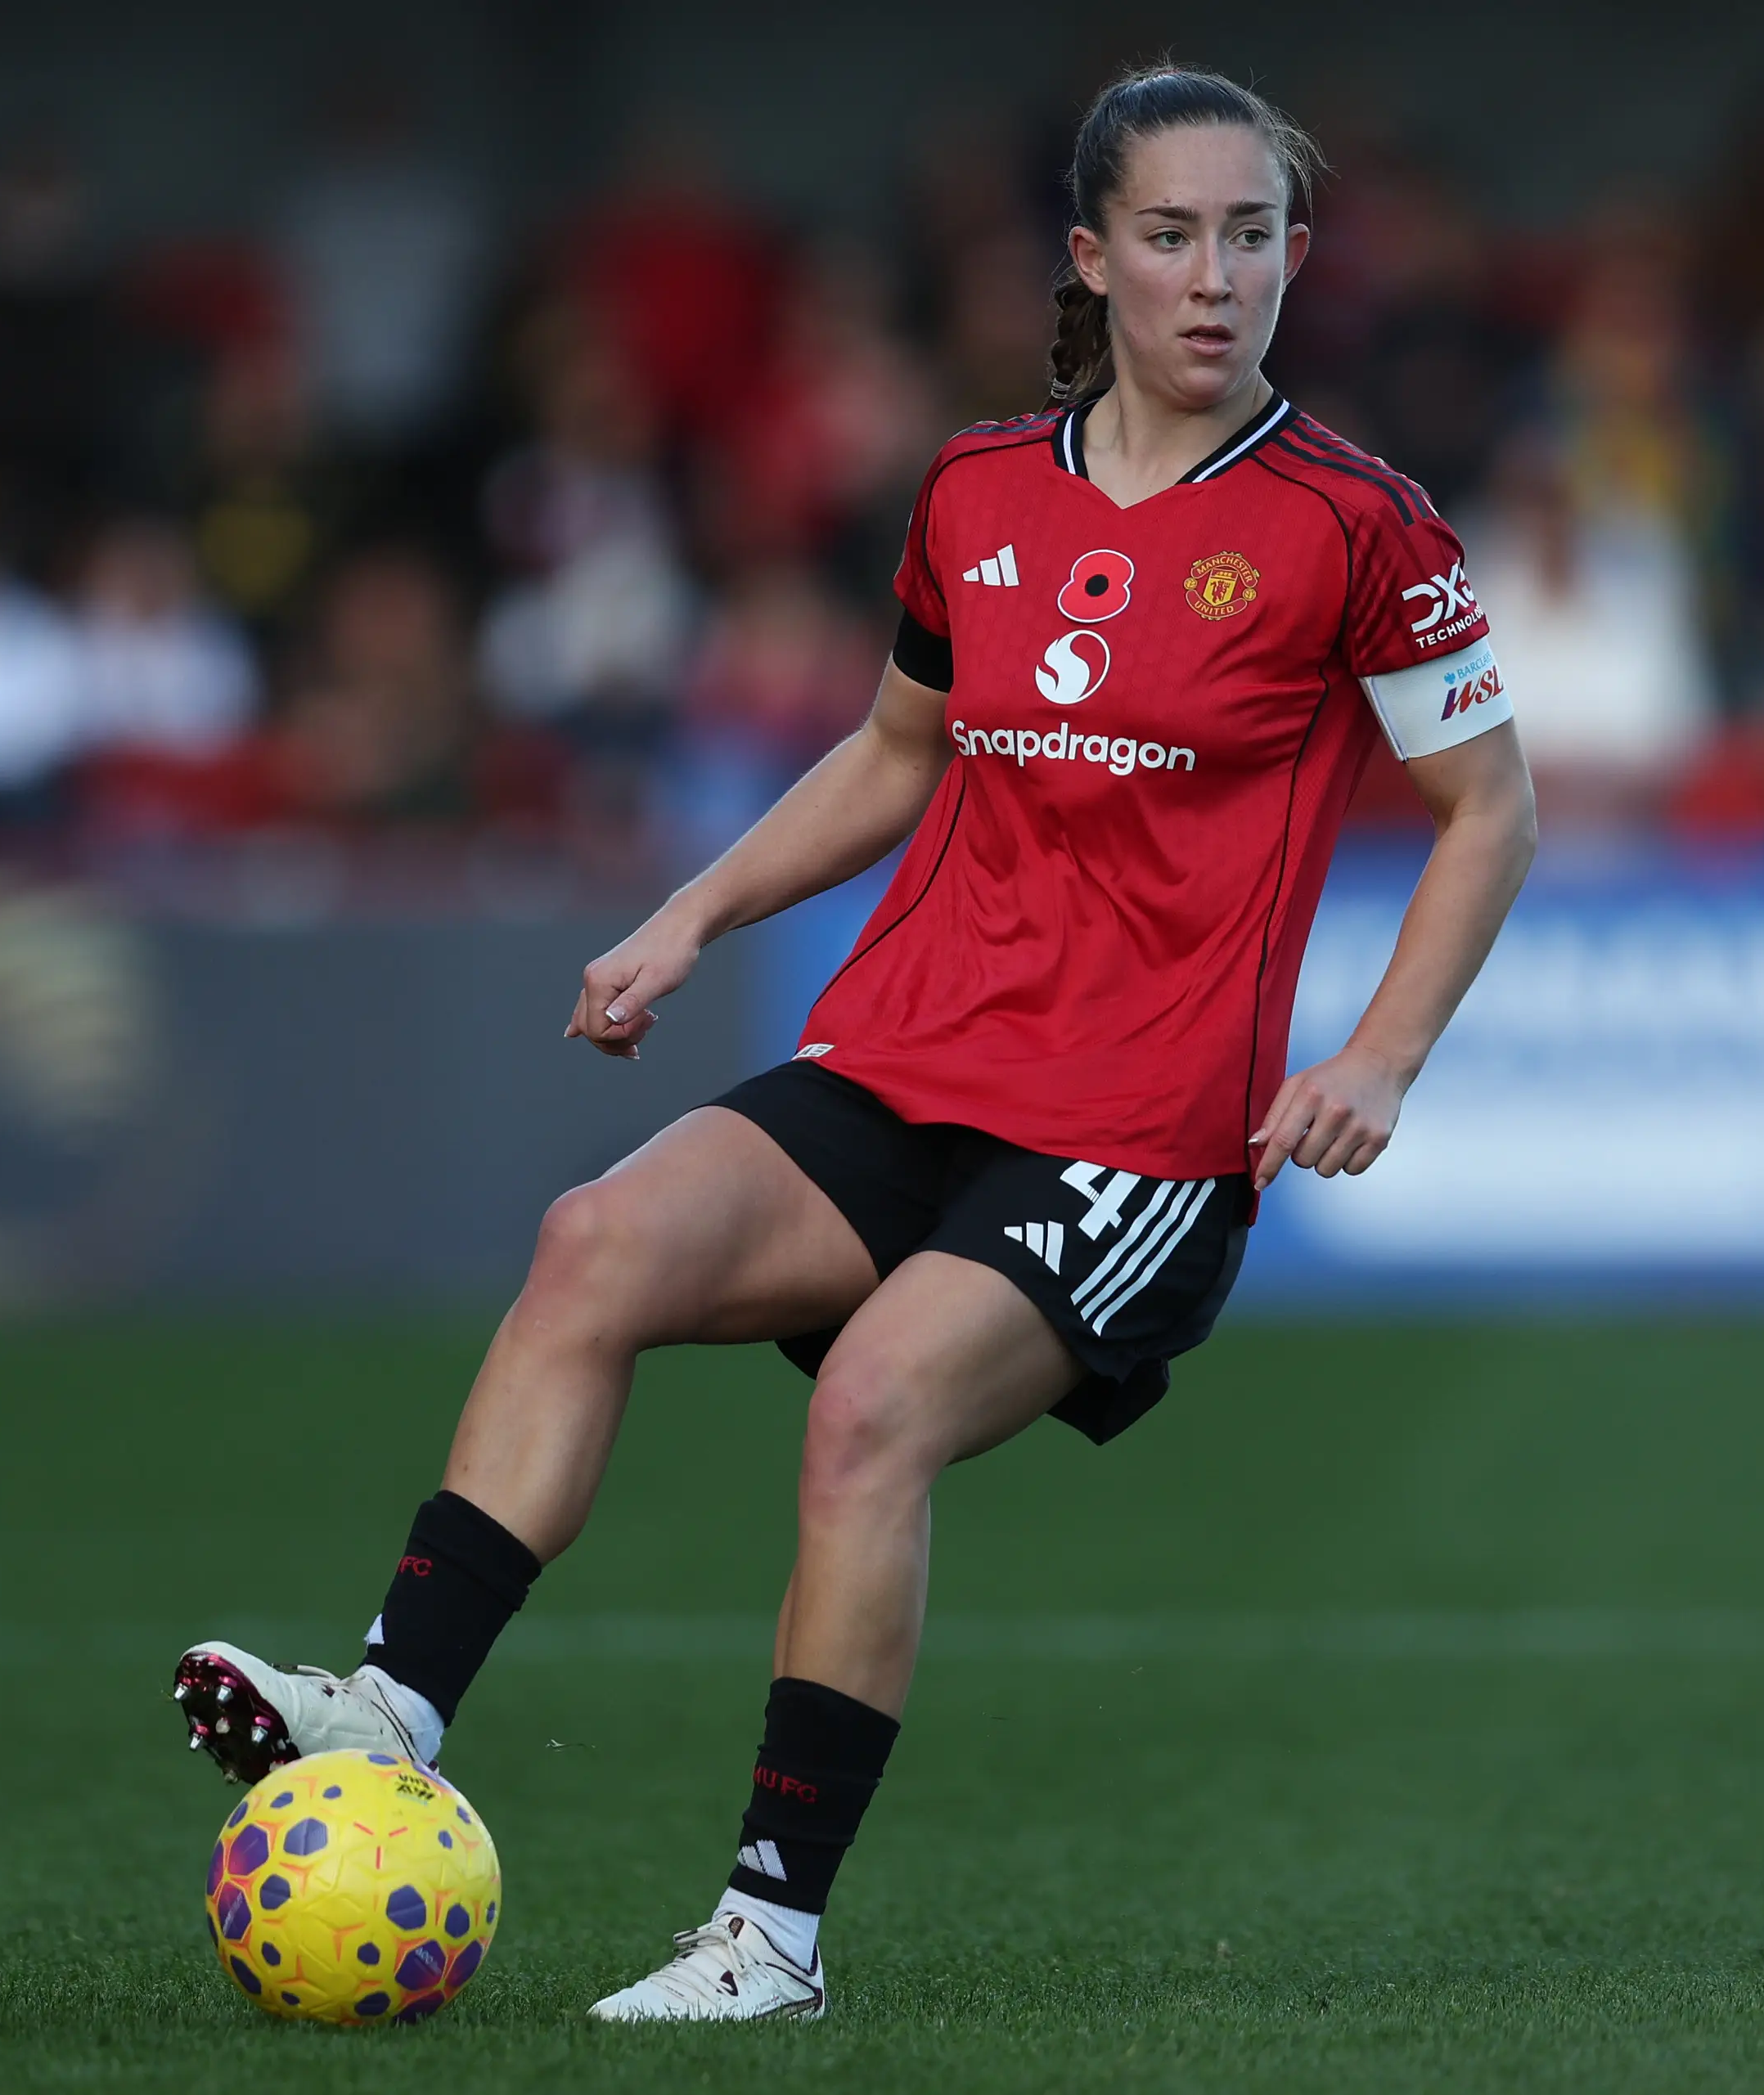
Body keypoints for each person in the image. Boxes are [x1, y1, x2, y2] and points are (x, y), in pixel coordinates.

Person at [168, 68, 1538, 2022]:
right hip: (910, 1051)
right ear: (1093, 257)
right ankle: (387, 1708)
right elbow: (899, 751)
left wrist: (1382, 1055)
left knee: (872, 1406)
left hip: (1138, 1130)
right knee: (592, 1243)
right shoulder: (977, 488)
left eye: (1251, 237)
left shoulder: (1360, 525)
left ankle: (768, 1935)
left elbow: (1493, 808)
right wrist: (689, 913)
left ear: (1299, 255)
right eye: (1171, 235)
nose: (1215, 275)